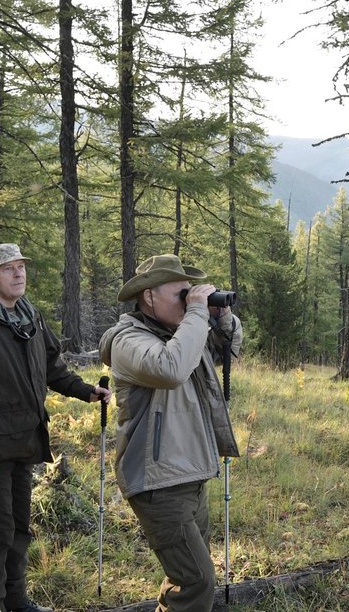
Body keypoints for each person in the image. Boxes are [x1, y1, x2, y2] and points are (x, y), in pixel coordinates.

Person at [0, 243, 112, 612]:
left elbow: (52, 367)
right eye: (7, 269)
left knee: (18, 529)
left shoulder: (28, 315)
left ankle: (16, 601)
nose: (19, 274)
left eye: (20, 266)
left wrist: (85, 391)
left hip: (24, 443)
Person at [99, 254, 242, 612]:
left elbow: (228, 351)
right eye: (181, 294)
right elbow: (171, 368)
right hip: (157, 481)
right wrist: (195, 314)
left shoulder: (180, 334)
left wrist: (221, 318)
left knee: (184, 575)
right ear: (148, 296)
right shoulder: (127, 341)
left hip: (191, 471)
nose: (189, 300)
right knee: (197, 580)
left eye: (191, 294)